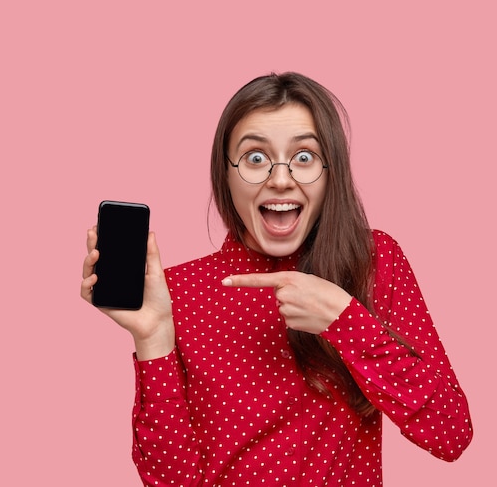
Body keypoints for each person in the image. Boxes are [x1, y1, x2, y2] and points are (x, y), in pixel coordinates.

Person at [81, 72, 472, 486]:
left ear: (329, 171)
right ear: (225, 175)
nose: (280, 179)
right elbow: (172, 480)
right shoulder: (175, 292)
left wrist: (345, 320)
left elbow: (450, 434)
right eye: (255, 158)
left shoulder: (371, 262)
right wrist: (153, 340)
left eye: (304, 157)